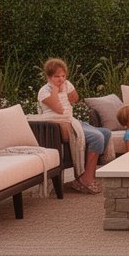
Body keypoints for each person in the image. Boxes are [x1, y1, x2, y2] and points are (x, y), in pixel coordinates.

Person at [38, 57, 110, 194]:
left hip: (71, 120)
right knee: (98, 137)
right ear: (48, 77)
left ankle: (83, 177)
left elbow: (75, 99)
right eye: (57, 76)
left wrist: (68, 87)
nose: (61, 79)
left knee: (105, 133)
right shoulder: (44, 91)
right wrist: (55, 89)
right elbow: (59, 110)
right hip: (59, 125)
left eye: (63, 76)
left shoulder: (65, 84)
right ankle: (87, 179)